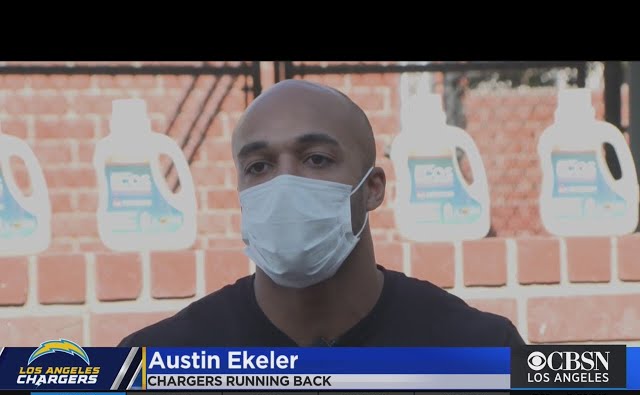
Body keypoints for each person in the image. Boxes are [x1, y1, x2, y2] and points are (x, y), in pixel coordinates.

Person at [118, 79, 525, 347]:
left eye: (316, 159)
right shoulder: (157, 364)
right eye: (259, 166)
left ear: (372, 188)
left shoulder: (480, 350)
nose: (285, 183)